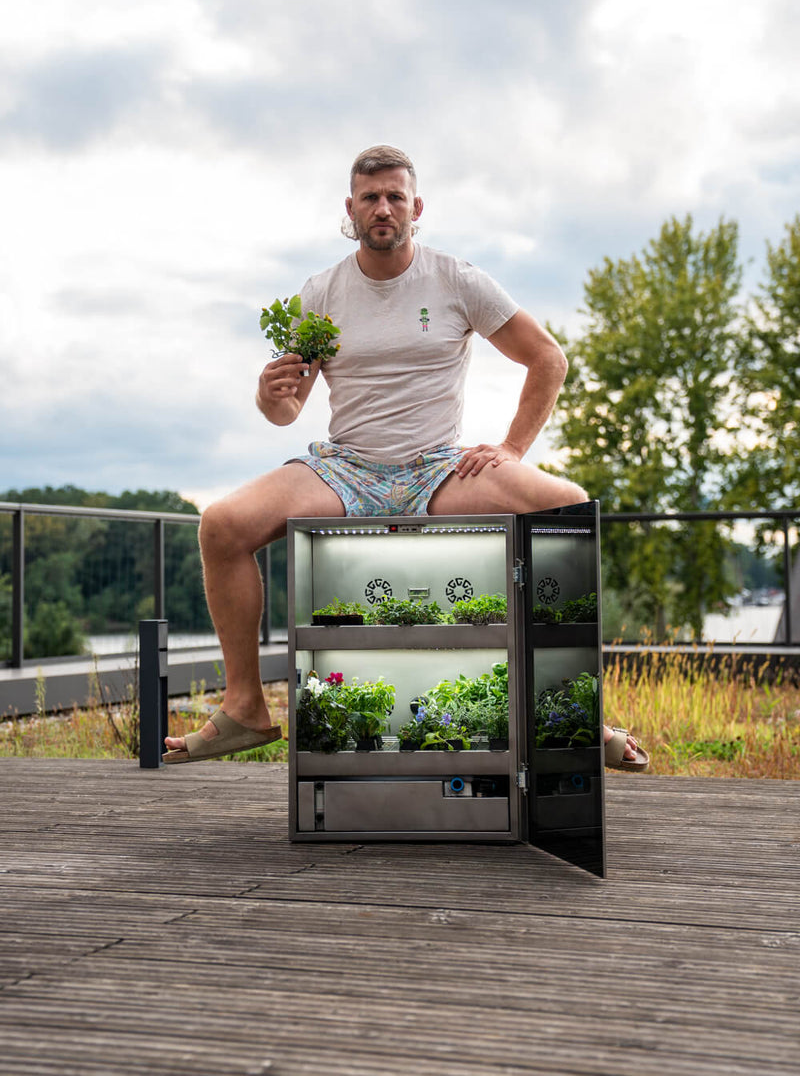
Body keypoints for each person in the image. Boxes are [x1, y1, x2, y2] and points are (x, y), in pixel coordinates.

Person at [164, 145, 647, 771]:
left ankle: (574, 713)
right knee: (221, 524)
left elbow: (548, 358)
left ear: (417, 208)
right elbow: (287, 410)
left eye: (395, 196)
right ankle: (244, 708)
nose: (383, 208)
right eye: (370, 197)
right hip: (346, 469)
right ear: (350, 209)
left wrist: (510, 449)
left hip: (438, 467)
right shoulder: (321, 293)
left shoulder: (458, 280)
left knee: (567, 506)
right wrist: (269, 393)